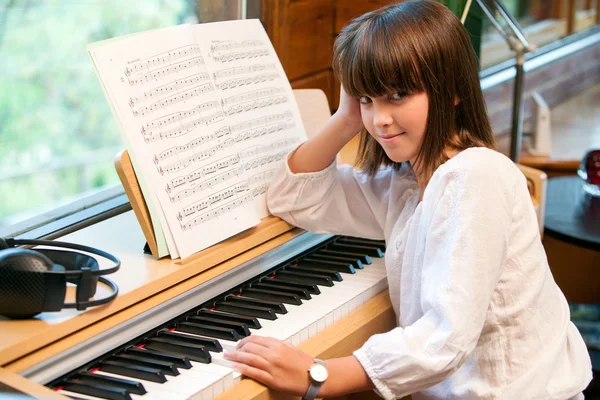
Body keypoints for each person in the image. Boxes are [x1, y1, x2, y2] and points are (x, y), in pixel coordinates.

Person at [223, 1, 593, 399]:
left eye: (398, 95)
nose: (379, 119)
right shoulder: (406, 183)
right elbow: (294, 198)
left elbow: (444, 338)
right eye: (368, 99)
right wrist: (349, 115)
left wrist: (320, 375)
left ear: (451, 91)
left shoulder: (477, 175)